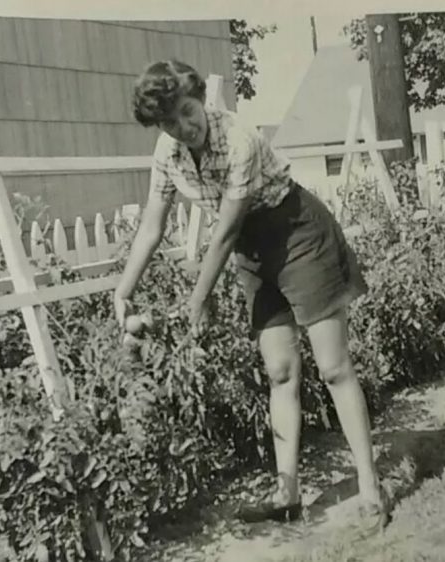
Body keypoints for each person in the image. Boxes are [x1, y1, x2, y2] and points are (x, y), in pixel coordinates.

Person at [113, 60, 389, 535]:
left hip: (299, 234)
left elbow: (223, 231)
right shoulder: (168, 153)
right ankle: (288, 494)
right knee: (280, 371)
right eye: (170, 122)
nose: (185, 126)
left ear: (200, 98)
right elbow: (153, 226)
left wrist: (198, 301)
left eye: (188, 111)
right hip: (254, 252)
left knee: (333, 366)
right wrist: (123, 290)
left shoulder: (237, 137)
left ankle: (370, 486)